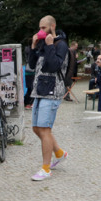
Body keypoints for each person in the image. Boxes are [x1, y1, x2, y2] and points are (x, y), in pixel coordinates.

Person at [28, 15, 69, 181]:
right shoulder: (42, 44)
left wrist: (50, 45)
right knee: (36, 128)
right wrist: (33, 46)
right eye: (39, 28)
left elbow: (53, 66)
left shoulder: (61, 45)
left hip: (52, 90)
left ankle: (46, 168)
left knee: (45, 129)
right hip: (39, 90)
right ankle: (59, 153)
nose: (40, 31)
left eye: (43, 28)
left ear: (53, 26)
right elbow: (32, 65)